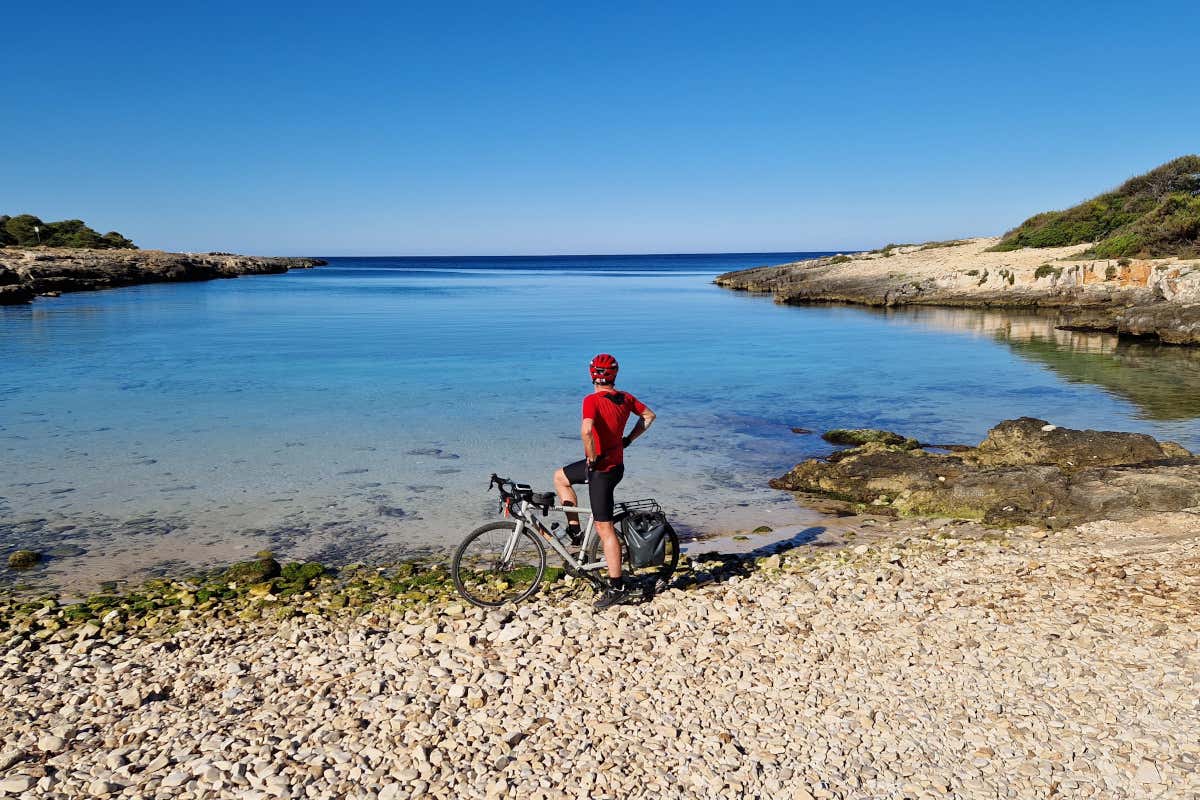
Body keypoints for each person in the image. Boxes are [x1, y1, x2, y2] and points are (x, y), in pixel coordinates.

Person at [554, 353, 655, 609]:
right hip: (614, 466)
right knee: (560, 477)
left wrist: (591, 458)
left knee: (604, 528)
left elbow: (586, 430)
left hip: (602, 471)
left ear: (591, 375)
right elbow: (649, 416)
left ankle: (617, 587)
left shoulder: (592, 400)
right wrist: (628, 440)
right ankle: (576, 534)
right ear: (614, 374)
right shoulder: (626, 398)